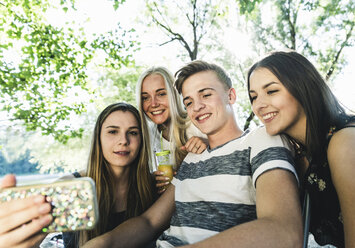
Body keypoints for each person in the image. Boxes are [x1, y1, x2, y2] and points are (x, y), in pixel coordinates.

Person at [82, 61, 303, 248]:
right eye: (188, 102)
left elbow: (283, 230)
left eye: (206, 94)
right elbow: (149, 221)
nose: (196, 107)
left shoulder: (261, 139)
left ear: (231, 96)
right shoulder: (192, 156)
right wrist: (103, 243)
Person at [0, 102, 157, 248]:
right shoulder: (69, 186)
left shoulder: (152, 184)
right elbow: (30, 239)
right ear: (98, 138)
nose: (123, 140)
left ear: (142, 140)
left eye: (133, 132)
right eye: (113, 131)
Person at [247, 50, 355, 247]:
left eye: (271, 91)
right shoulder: (297, 158)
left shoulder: (344, 142)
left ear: (303, 87)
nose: (258, 106)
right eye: (253, 97)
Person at [137, 66, 207, 193]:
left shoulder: (195, 123)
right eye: (145, 97)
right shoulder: (149, 135)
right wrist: (153, 178)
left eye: (161, 94)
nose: (153, 104)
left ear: (174, 94)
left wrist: (208, 145)